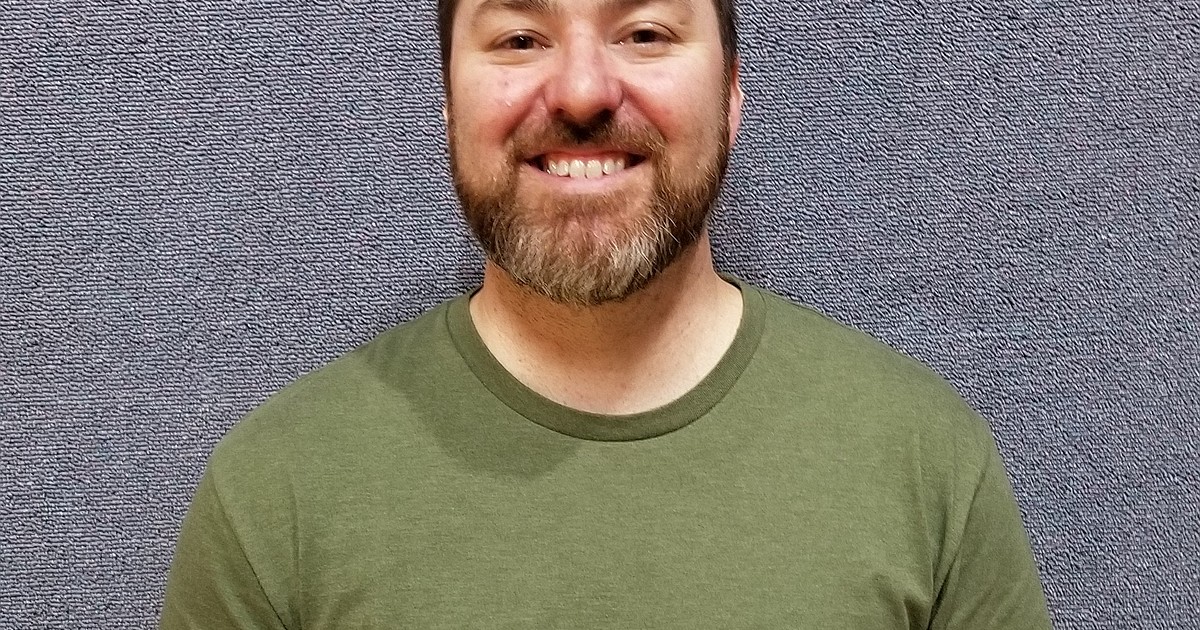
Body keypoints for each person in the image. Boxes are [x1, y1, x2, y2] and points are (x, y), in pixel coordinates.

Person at [160, 0, 1053, 627]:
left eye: (646, 32)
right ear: (448, 104)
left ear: (731, 94)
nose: (582, 91)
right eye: (519, 38)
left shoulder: (925, 464)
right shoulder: (276, 497)